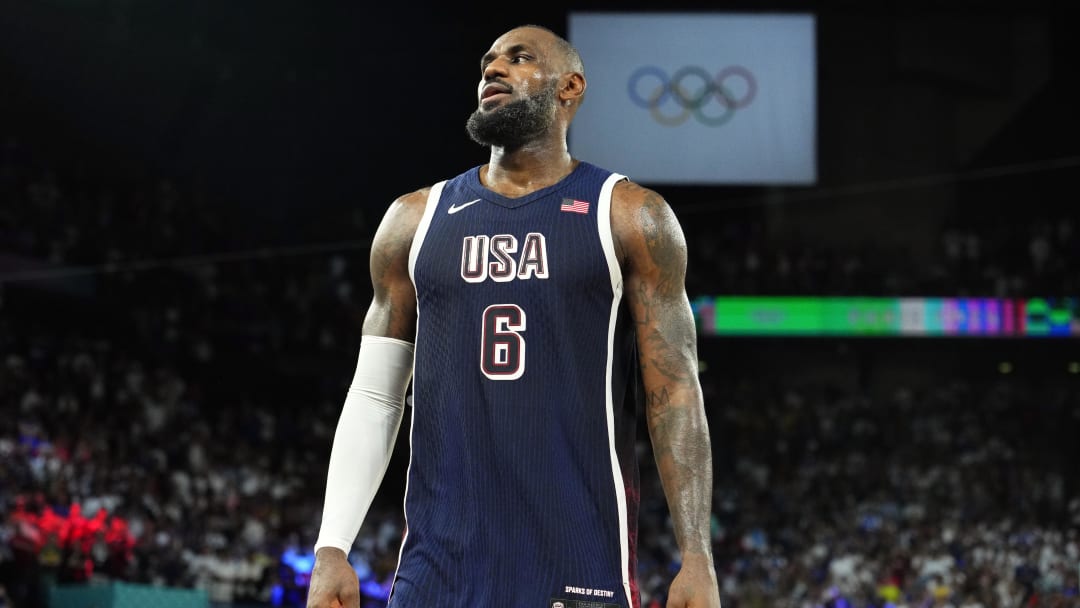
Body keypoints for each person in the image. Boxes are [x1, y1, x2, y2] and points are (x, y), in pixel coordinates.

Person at [306, 24, 720, 608]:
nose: (492, 70)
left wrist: (696, 556)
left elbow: (674, 391)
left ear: (570, 87)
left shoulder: (629, 215)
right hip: (437, 571)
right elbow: (375, 395)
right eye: (487, 62)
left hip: (580, 560)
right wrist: (332, 548)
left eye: (519, 59)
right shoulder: (413, 221)